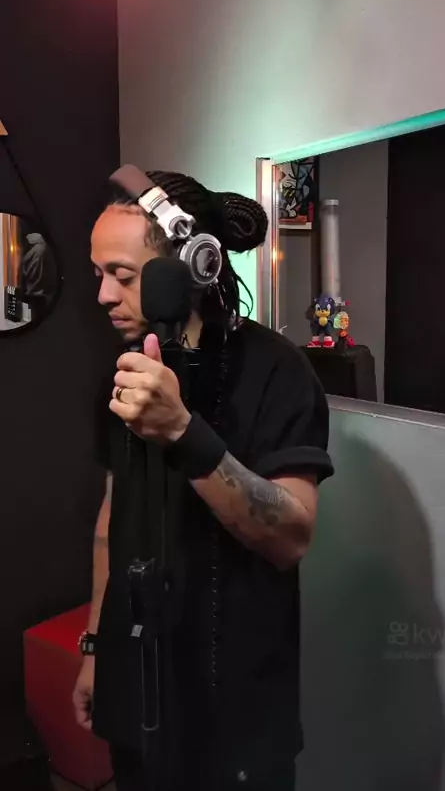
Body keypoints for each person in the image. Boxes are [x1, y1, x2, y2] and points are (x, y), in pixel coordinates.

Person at [72, 169, 334, 791]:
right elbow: (114, 516)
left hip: (235, 711)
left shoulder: (278, 371)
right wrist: (95, 647)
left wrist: (183, 433)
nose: (103, 295)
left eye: (123, 276)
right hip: (137, 694)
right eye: (98, 274)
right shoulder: (124, 367)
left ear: (194, 266)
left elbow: (291, 536)